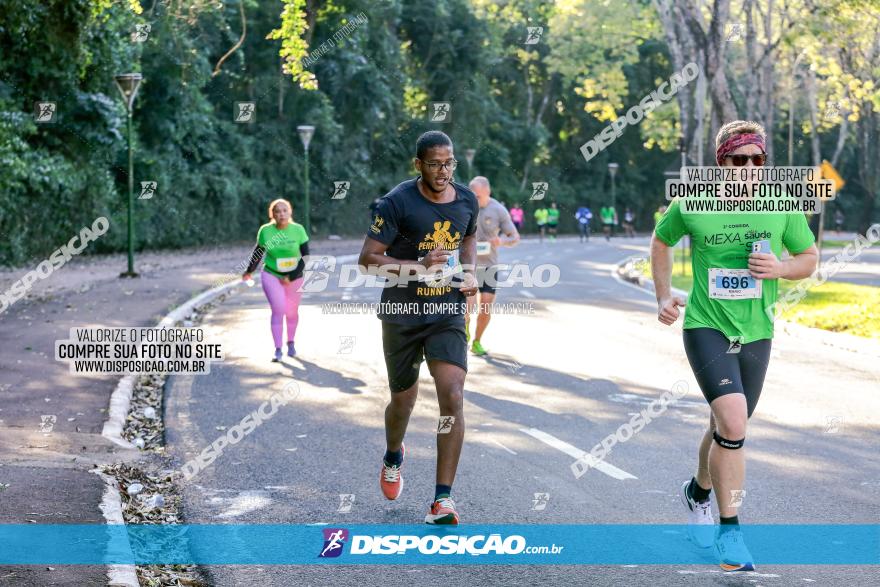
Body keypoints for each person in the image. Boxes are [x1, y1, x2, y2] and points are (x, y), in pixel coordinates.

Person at [651, 120, 818, 572]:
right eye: (738, 159)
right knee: (733, 418)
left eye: (757, 160)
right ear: (720, 162)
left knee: (727, 425)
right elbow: (661, 240)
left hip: (757, 331)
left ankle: (698, 492)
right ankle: (732, 534)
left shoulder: (780, 204)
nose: (748, 168)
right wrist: (664, 296)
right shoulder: (693, 203)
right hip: (706, 324)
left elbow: (808, 258)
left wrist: (781, 268)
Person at [358, 130, 479, 525]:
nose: (443, 171)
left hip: (446, 311)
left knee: (453, 394)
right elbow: (368, 259)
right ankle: (394, 454)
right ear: (419, 165)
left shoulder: (466, 200)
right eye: (435, 164)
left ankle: (442, 500)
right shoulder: (396, 203)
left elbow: (469, 237)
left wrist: (471, 273)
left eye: (449, 163)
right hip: (402, 312)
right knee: (403, 401)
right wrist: (417, 268)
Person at [242, 199, 310, 362]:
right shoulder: (266, 231)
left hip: (295, 276)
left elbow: (306, 257)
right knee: (279, 309)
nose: (281, 214)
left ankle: (291, 342)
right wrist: (249, 271)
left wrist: (291, 276)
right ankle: (278, 349)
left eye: (284, 210)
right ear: (272, 214)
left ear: (290, 212)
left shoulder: (298, 230)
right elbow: (258, 253)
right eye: (277, 211)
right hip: (271, 274)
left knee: (291, 312)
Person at [465, 176, 520, 356]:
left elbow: (514, 237)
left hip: (489, 265)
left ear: (488, 192)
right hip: (468, 265)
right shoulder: (464, 206)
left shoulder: (498, 210)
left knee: (485, 306)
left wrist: (501, 241)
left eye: (478, 196)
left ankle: (477, 341)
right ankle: (463, 331)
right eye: (473, 196)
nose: (475, 200)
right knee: (467, 306)